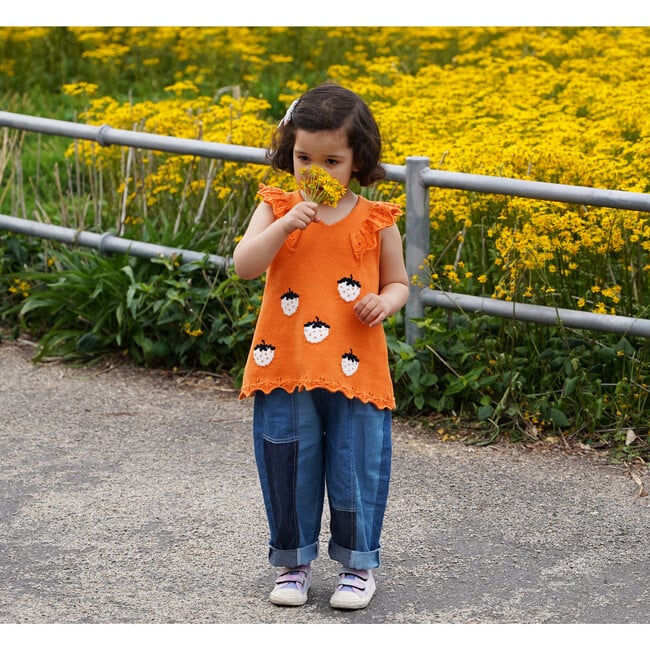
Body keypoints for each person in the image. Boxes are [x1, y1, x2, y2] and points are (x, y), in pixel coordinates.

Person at [233, 82, 409, 610]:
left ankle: (358, 565)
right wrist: (286, 222)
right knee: (287, 461)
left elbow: (398, 282)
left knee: (357, 464)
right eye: (303, 158)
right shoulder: (275, 207)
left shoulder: (376, 220)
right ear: (289, 153)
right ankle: (292, 563)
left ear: (358, 161)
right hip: (285, 362)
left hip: (355, 367)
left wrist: (387, 302)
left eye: (331, 161)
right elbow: (245, 265)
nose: (315, 173)